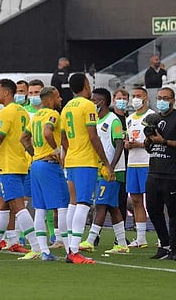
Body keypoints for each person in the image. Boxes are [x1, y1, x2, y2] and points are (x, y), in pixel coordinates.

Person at [0, 79, 41, 260]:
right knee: (2, 205)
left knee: (18, 207)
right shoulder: (23, 112)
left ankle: (36, 247)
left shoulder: (6, 112)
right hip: (20, 163)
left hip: (10, 165)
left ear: (6, 93)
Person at [60, 73, 114, 264]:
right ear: (85, 84)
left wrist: (70, 150)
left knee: (73, 204)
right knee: (83, 204)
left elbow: (63, 137)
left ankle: (69, 248)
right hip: (85, 161)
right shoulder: (88, 105)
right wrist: (106, 162)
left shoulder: (67, 106)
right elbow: (93, 136)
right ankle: (74, 251)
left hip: (72, 160)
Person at [21, 86, 69, 261]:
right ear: (49, 99)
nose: (60, 99)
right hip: (49, 165)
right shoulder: (53, 114)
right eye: (57, 97)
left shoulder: (35, 117)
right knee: (63, 206)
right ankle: (70, 248)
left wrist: (34, 153)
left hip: (36, 165)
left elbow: (23, 138)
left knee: (40, 209)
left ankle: (44, 251)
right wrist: (56, 151)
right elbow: (48, 131)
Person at [79, 88, 129, 254]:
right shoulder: (96, 122)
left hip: (113, 170)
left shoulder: (113, 120)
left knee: (101, 204)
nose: (92, 103)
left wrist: (111, 167)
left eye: (94, 100)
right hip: (101, 169)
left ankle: (90, 240)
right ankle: (122, 243)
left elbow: (119, 143)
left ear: (102, 102)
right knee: (113, 207)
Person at [145, 87, 176, 260]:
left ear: (173, 100)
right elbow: (149, 146)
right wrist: (149, 140)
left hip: (171, 173)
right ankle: (163, 244)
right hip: (154, 171)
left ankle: (173, 247)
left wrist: (164, 141)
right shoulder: (153, 119)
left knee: (173, 211)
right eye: (159, 98)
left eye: (165, 98)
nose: (162, 101)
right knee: (153, 209)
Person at [125, 87, 154, 248]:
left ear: (145, 98)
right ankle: (141, 237)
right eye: (133, 96)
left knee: (152, 201)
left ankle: (160, 236)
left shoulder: (152, 117)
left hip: (147, 162)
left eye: (139, 96)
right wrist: (127, 144)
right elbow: (126, 139)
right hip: (132, 163)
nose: (135, 99)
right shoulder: (129, 118)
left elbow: (155, 141)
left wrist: (140, 144)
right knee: (136, 200)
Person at [112, 89, 130, 229]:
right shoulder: (110, 118)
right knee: (106, 201)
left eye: (124, 98)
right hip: (113, 164)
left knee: (123, 200)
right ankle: (96, 235)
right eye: (119, 98)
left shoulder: (130, 119)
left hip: (128, 163)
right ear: (113, 99)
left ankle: (121, 235)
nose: (122, 101)